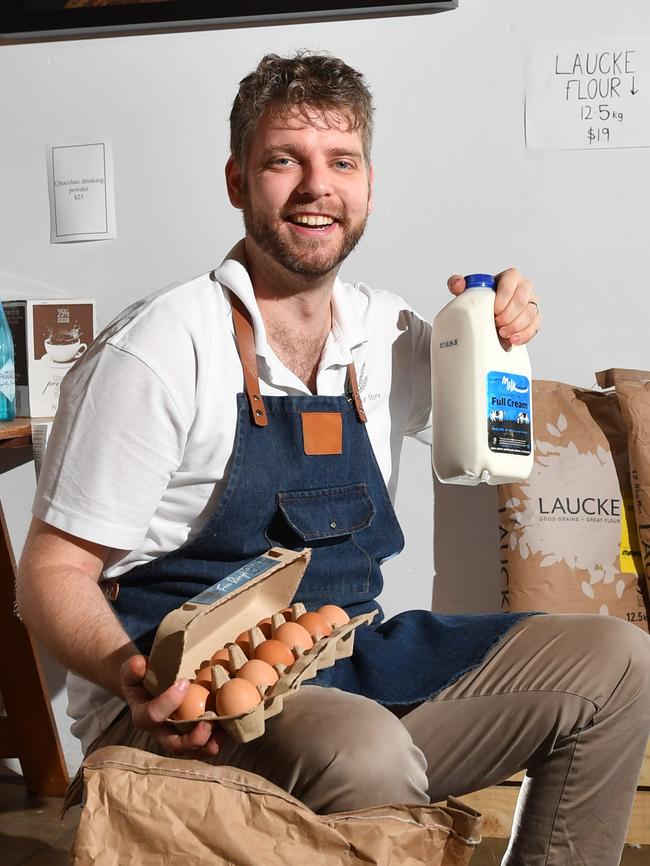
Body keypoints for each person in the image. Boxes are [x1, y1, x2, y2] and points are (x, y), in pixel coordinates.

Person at [17, 51, 650, 865]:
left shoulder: (384, 335)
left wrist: (500, 324)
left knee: (619, 660)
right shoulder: (160, 352)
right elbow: (50, 577)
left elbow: (488, 414)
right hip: (189, 713)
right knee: (365, 749)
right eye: (284, 160)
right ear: (238, 182)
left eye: (340, 162)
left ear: (368, 186)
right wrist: (134, 677)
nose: (317, 186)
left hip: (349, 658)